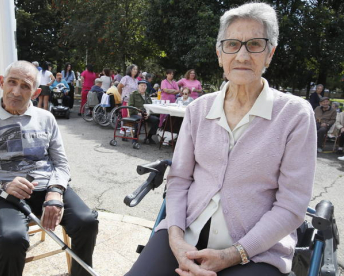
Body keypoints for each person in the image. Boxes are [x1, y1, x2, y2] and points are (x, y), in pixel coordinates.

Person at [126, 3, 316, 276]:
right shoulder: (198, 110)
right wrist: (177, 242)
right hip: (185, 232)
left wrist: (233, 254)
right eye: (231, 44)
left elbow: (291, 205)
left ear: (270, 53)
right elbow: (179, 181)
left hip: (256, 250)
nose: (241, 55)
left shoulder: (294, 115)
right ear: (219, 54)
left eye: (254, 44)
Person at [0, 61, 98, 276]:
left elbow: (61, 164)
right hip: (7, 195)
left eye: (25, 86)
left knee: (87, 222)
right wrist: (4, 186)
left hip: (49, 187)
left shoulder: (47, 118)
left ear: (36, 92)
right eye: (12, 83)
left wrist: (55, 191)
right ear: (2, 82)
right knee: (11, 240)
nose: (16, 91)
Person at [128, 80, 159, 144]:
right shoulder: (133, 94)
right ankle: (135, 138)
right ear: (138, 87)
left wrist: (148, 114)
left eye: (145, 86)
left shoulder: (147, 95)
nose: (143, 87)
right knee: (139, 119)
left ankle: (149, 137)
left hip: (145, 114)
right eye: (141, 85)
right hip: (135, 114)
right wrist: (138, 113)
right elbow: (130, 107)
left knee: (156, 120)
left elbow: (150, 106)